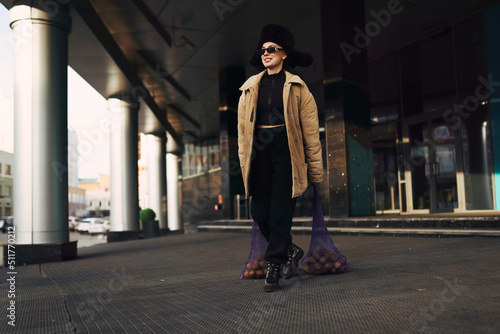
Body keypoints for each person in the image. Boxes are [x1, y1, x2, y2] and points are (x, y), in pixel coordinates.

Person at [237, 24, 323, 292]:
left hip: (288, 153)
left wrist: (315, 171)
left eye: (272, 49)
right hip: (260, 155)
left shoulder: (298, 88)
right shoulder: (250, 88)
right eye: (263, 50)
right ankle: (289, 251)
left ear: (285, 54)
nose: (266, 53)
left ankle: (274, 267)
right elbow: (242, 134)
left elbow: (311, 134)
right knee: (259, 212)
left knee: (280, 215)